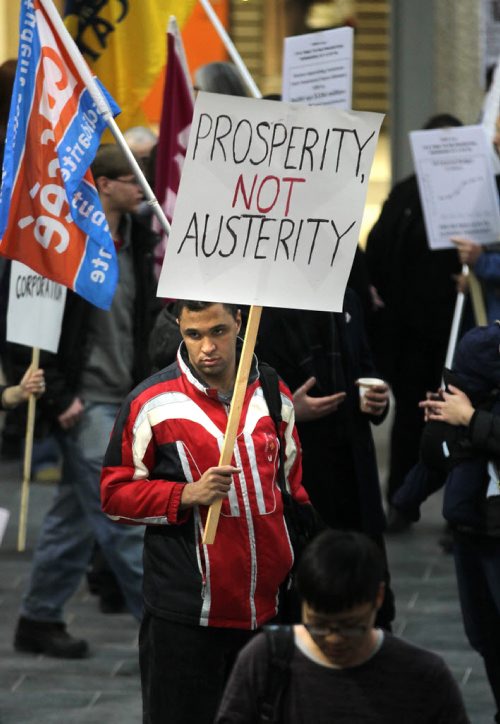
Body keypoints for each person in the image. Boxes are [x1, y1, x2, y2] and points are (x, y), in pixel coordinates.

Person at [100, 300, 309, 724]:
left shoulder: (273, 391)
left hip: (267, 608)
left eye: (217, 331)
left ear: (239, 322)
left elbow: (293, 490)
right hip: (186, 611)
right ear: (179, 328)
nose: (206, 347)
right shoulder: (151, 403)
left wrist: (298, 564)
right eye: (194, 335)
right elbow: (114, 496)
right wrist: (185, 495)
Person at [13, 143, 159, 659]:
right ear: (102, 185)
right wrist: (57, 394)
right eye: (131, 181)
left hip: (125, 394)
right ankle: (169, 627)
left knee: (74, 518)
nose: (142, 189)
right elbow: (34, 326)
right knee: (122, 518)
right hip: (86, 402)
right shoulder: (66, 241)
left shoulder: (138, 238)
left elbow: (139, 317)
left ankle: (38, 617)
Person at [216, 529, 469, 723]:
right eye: (319, 625)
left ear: (378, 598)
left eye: (350, 626)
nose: (334, 639)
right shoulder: (267, 662)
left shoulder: (422, 676)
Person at [257, 289, 395, 629]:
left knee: (367, 594)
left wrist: (378, 401)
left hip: (352, 467)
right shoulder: (260, 307)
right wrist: (288, 411)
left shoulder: (345, 297)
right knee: (310, 598)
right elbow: (239, 397)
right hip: (301, 476)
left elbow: (364, 365)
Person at [365, 113, 463, 530]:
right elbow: (380, 252)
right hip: (411, 336)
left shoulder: (475, 196)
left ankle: (461, 509)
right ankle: (402, 502)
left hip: (461, 332)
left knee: (462, 421)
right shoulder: (406, 194)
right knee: (412, 418)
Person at [415, 322, 500, 723]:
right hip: (471, 533)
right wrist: (446, 422)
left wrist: (470, 417)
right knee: (486, 636)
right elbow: (435, 460)